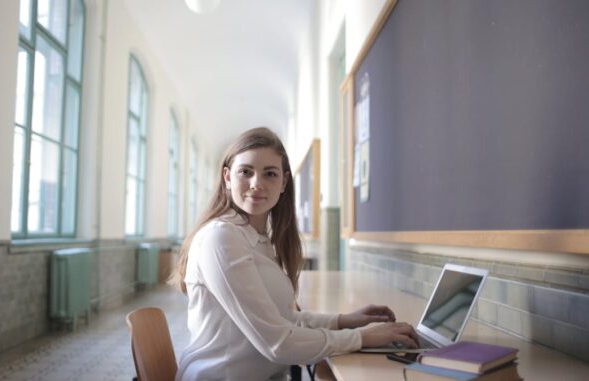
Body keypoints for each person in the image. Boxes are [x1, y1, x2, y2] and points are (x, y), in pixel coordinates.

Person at [171, 127, 418, 380]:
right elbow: (278, 343)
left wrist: (344, 321)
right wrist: (363, 338)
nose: (257, 184)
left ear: (283, 183)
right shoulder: (221, 237)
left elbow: (282, 320)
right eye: (246, 172)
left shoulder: (258, 239)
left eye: (270, 174)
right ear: (227, 177)